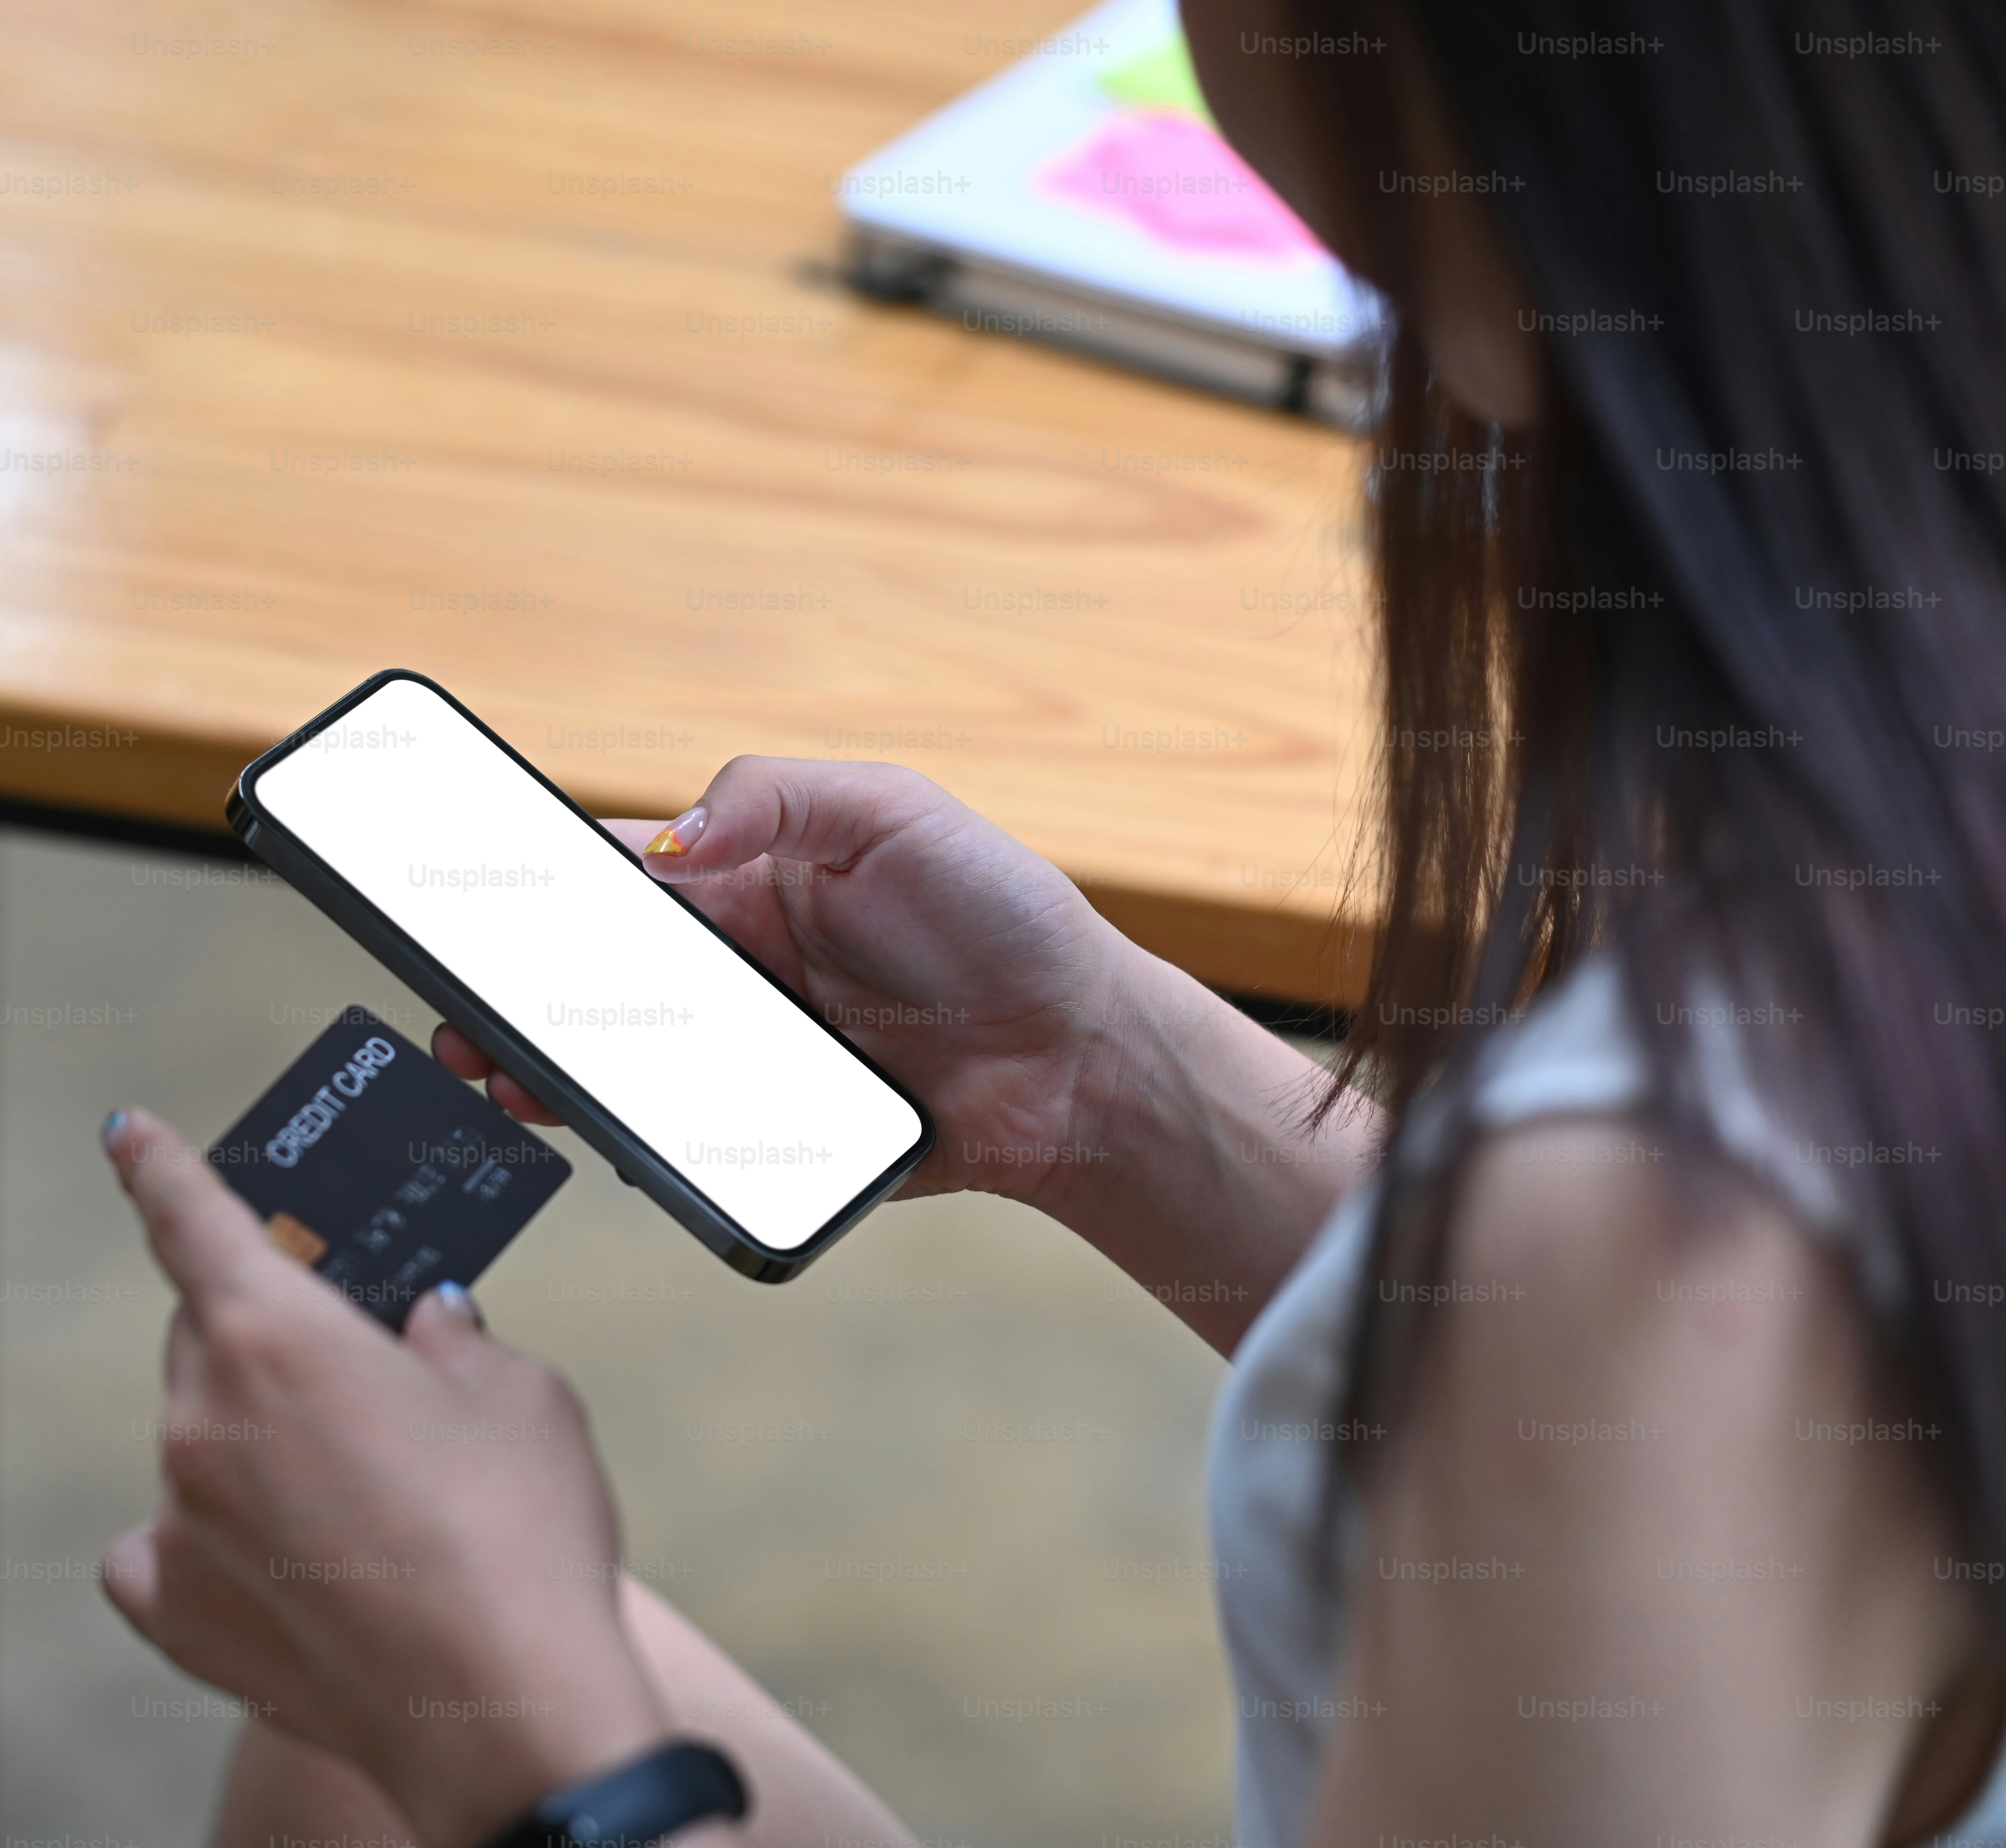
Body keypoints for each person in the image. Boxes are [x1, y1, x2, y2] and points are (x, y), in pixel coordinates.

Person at [96, 0, 2006, 1842]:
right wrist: (1108, 1080)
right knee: (344, 1762)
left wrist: (532, 1740)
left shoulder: (1667, 1232)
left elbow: (1649, 1344)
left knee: (388, 1718)